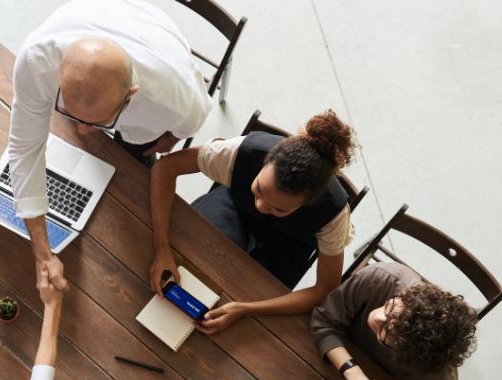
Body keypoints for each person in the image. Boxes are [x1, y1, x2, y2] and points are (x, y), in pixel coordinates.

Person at [8, 0, 212, 291]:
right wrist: (42, 252)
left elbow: (189, 125)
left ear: (130, 97)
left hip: (153, 38)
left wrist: (171, 137)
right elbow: (24, 150)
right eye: (69, 112)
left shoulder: (175, 100)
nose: (80, 130)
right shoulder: (35, 61)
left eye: (95, 123)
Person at [149, 110, 358, 333]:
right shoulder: (241, 152)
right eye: (259, 189)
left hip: (289, 246)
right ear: (266, 162)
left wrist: (245, 309)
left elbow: (325, 288)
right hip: (234, 208)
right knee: (190, 258)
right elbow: (165, 168)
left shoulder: (333, 215)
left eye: (279, 208)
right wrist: (161, 247)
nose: (261, 206)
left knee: (248, 303)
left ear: (307, 204)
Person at [310, 263, 477, 380]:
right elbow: (323, 320)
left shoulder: (437, 372)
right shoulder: (380, 278)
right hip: (330, 356)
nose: (377, 317)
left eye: (389, 332)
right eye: (390, 309)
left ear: (409, 356)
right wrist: (352, 372)